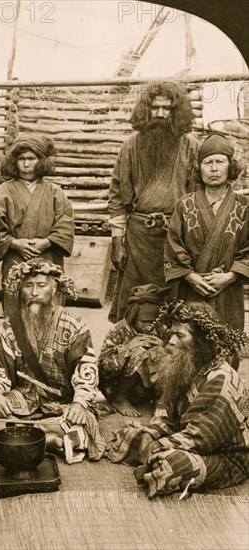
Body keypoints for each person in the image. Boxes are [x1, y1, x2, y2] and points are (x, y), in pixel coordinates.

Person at [0, 258, 105, 464]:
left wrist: (78, 404)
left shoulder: (74, 326)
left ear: (55, 288)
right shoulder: (8, 328)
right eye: (28, 286)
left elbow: (86, 369)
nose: (34, 292)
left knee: (84, 420)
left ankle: (18, 437)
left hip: (62, 404)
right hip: (22, 401)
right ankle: (50, 440)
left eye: (42, 285)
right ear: (19, 290)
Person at [108, 301, 249, 498]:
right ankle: (151, 460)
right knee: (132, 435)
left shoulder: (220, 379)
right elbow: (165, 414)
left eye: (180, 335)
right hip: (185, 437)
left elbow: (201, 437)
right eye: (171, 334)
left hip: (226, 456)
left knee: (173, 463)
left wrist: (159, 445)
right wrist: (151, 433)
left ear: (200, 341)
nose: (171, 341)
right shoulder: (184, 368)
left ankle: (154, 463)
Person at [108, 81, 199, 323]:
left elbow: (199, 196)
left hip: (178, 236)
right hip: (139, 238)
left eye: (166, 108)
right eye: (155, 107)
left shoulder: (190, 145)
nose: (160, 114)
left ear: (176, 111)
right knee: (135, 305)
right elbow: (117, 196)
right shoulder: (130, 146)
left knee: (176, 303)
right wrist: (118, 241)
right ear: (145, 110)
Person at [165, 133, 249, 332]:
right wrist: (189, 276)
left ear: (231, 167)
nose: (213, 168)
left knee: (225, 350)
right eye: (207, 162)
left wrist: (231, 276)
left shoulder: (244, 207)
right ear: (198, 169)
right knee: (188, 349)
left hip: (228, 293)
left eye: (220, 161)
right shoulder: (185, 205)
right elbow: (173, 246)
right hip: (191, 292)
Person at [0, 133, 74, 317]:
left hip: (47, 258)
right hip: (15, 259)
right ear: (14, 162)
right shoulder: (4, 191)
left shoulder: (55, 191)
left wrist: (47, 242)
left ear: (41, 161)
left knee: (49, 310)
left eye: (32, 158)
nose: (26, 164)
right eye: (21, 159)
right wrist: (15, 243)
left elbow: (65, 223)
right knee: (16, 313)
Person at [98, 284, 169, 417]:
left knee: (161, 350)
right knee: (140, 351)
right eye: (143, 322)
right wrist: (128, 349)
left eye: (152, 322)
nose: (148, 327)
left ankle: (160, 399)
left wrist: (162, 345)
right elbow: (103, 369)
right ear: (133, 316)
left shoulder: (160, 329)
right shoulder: (119, 329)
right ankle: (121, 400)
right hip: (115, 387)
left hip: (143, 390)